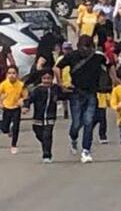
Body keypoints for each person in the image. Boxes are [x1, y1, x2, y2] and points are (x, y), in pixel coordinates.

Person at [57, 35, 108, 163]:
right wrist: (61, 83)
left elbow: (110, 65)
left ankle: (86, 150)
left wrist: (115, 80)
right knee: (76, 123)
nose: (85, 51)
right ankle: (73, 137)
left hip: (91, 92)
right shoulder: (72, 56)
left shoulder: (98, 57)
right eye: (83, 48)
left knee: (88, 121)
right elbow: (57, 67)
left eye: (88, 48)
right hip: (76, 93)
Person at [26, 68, 61, 163]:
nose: (46, 81)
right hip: (38, 117)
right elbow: (29, 99)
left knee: (47, 135)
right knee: (38, 133)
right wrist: (26, 106)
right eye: (44, 78)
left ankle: (47, 154)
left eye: (49, 78)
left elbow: (64, 95)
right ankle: (45, 144)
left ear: (52, 78)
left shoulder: (55, 88)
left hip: (50, 116)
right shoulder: (37, 90)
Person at [0, 65, 26, 154]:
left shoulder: (21, 84)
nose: (11, 75)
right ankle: (8, 128)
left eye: (13, 73)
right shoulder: (4, 84)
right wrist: (0, 103)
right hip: (6, 107)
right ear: (6, 75)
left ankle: (14, 145)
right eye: (9, 73)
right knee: (4, 128)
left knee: (16, 126)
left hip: (16, 107)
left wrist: (22, 101)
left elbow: (25, 95)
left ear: (17, 74)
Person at [95, 64, 112, 142]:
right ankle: (101, 135)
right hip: (96, 94)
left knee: (102, 116)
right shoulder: (94, 70)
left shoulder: (106, 69)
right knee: (99, 116)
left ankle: (102, 135)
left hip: (104, 94)